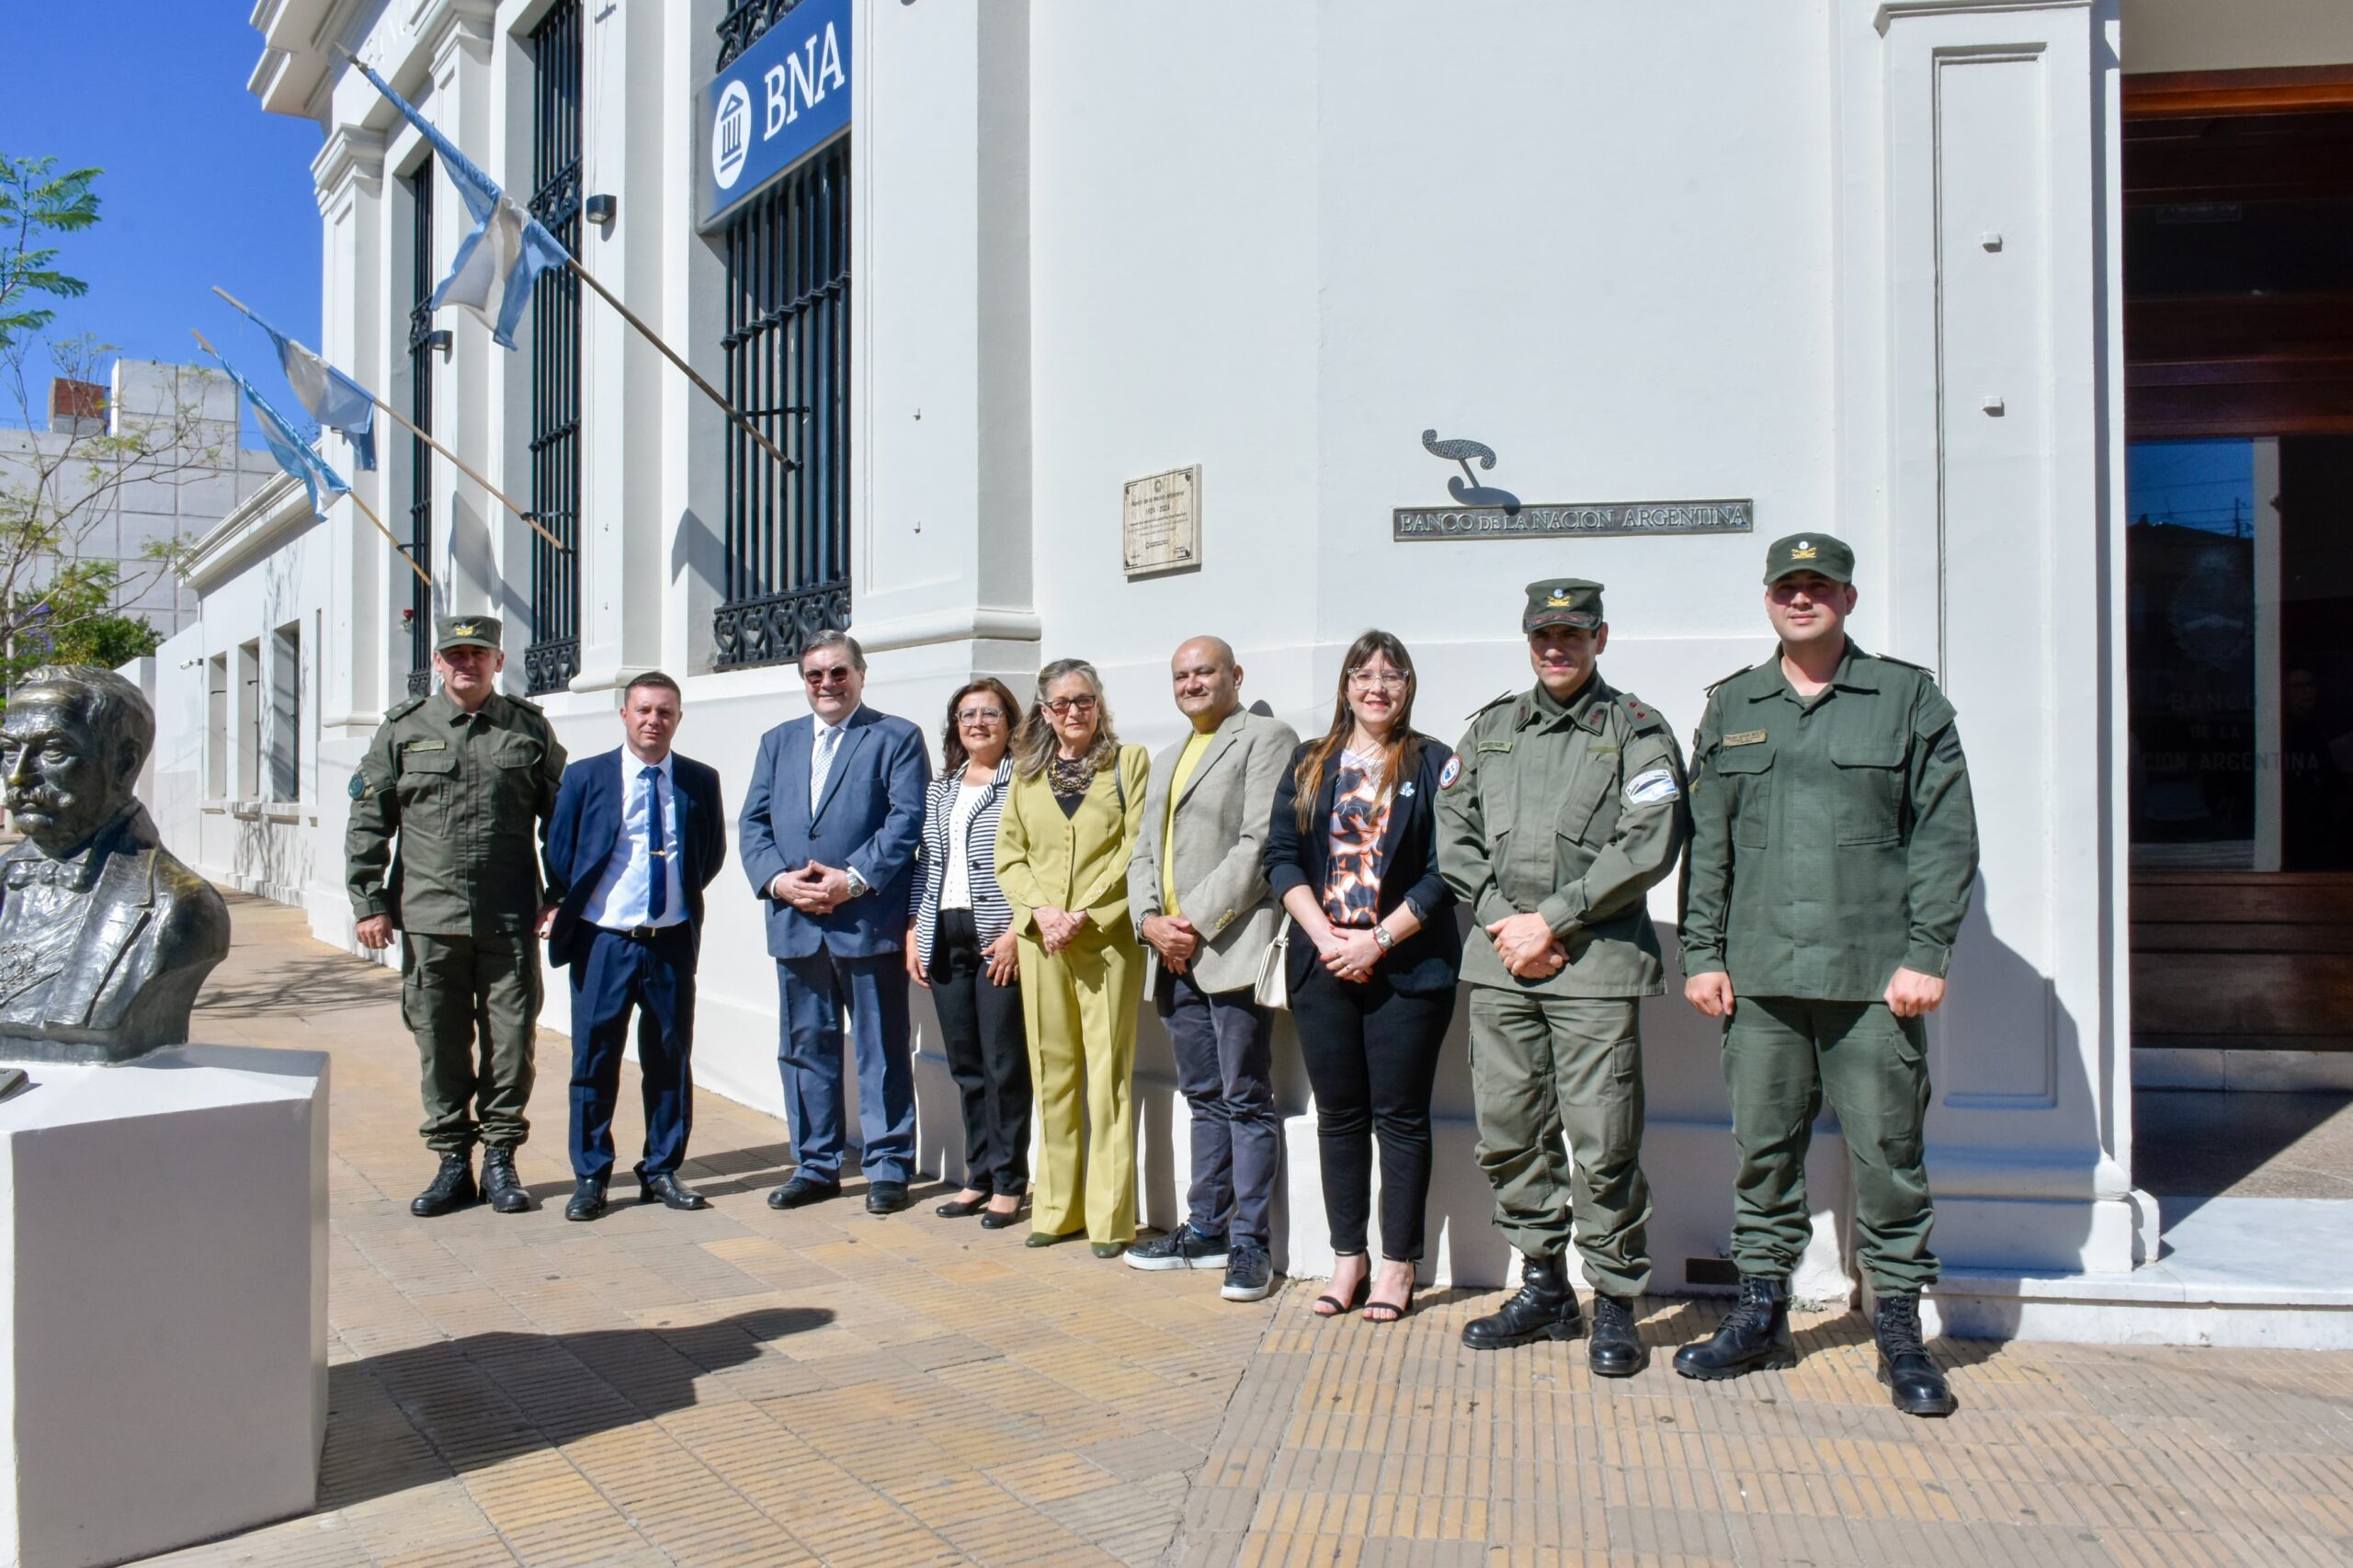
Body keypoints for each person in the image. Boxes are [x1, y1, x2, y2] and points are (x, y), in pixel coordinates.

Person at [1674, 532, 1979, 1418]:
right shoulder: (1734, 705)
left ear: (1848, 598)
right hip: (1762, 975)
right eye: (1787, 587)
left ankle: (1898, 1329)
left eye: (1819, 587)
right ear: (1768, 598)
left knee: (1890, 1156)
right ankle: (1762, 1314)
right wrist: (1703, 952)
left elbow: (1946, 834)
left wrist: (1928, 952)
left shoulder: (1906, 699)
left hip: (1872, 977)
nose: (1801, 599)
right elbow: (1711, 845)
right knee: (1763, 1153)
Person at [1435, 580, 1688, 1378]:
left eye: (1572, 635)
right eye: (1543, 635)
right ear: (1528, 640)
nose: (1556, 648)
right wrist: (1508, 920)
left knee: (1603, 1141)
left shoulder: (1639, 732)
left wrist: (1556, 919)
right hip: (1504, 965)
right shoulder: (1492, 729)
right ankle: (1544, 1290)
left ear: (1600, 640)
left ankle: (1614, 1300)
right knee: (1509, 1133)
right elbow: (1456, 831)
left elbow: (1649, 840)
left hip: (1595, 969)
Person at [1263, 631, 1461, 1323]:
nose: (1377, 686)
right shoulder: (1310, 762)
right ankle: (1350, 1259)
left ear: (1409, 686)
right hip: (1322, 966)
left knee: (1400, 1118)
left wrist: (1377, 940)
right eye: (1363, 673)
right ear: (1346, 684)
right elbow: (1281, 857)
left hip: (1406, 968)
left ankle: (1399, 1264)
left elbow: (1449, 870)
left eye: (1392, 675)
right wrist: (1324, 935)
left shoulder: (1435, 761)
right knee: (1339, 1116)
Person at [347, 615, 567, 1218]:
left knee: (510, 1044)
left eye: (479, 654)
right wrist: (368, 902)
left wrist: (561, 892)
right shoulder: (402, 731)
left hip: (509, 920)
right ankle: (451, 1162)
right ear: (437, 663)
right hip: (429, 920)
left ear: (498, 662)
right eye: (455, 655)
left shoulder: (527, 728)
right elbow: (369, 820)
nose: (466, 664)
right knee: (440, 1045)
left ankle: (500, 1158)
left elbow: (563, 819)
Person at [1123, 637, 1299, 1302]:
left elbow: (1259, 844)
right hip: (1170, 956)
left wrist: (1188, 922)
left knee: (1247, 1098)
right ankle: (1206, 1228)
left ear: (1234, 676)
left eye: (1206, 671)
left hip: (1226, 949)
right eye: (1182, 675)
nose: (1193, 683)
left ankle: (1251, 1243)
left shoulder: (1264, 737)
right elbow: (1143, 853)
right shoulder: (1167, 757)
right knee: (1203, 1098)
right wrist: (1148, 922)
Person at [739, 631, 931, 1216]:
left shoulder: (896, 737)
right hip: (795, 923)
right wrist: (779, 882)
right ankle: (815, 1165)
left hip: (865, 920)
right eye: (814, 675)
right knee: (804, 1049)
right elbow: (753, 824)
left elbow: (907, 820)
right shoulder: (778, 742)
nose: (826, 684)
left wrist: (852, 880)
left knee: (881, 1048)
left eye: (837, 673)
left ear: (861, 675)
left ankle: (887, 1165)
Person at [539, 672, 727, 1221]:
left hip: (669, 942)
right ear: (624, 714)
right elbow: (560, 850)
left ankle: (661, 1169)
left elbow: (708, 855)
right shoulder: (585, 777)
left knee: (669, 1058)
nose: (653, 721)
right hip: (604, 942)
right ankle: (592, 1175)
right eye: (644, 710)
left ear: (678, 718)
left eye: (665, 712)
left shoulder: (699, 780)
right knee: (594, 1059)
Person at [994, 659, 1151, 1258]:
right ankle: (1058, 1209)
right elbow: (1010, 854)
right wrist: (1041, 913)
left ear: (1099, 703)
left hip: (1104, 942)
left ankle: (1112, 1218)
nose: (1073, 712)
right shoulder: (1027, 773)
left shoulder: (1127, 762)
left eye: (1083, 700)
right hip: (1041, 943)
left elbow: (1135, 845)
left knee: (1107, 1076)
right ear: (1044, 711)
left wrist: (1083, 910)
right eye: (1060, 704)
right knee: (1052, 1073)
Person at [0, 665, 230, 1062]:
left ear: (125, 763)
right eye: (7, 750)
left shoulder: (179, 908)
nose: (18, 776)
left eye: (53, 750)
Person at [907, 677, 1031, 1228]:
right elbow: (926, 862)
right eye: (966, 715)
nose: (977, 723)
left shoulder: (1024, 782)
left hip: (996, 935)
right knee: (966, 1064)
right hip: (944, 932)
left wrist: (1018, 932)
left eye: (989, 713)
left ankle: (1010, 1182)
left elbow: (1040, 860)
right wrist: (915, 927)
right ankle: (977, 1176)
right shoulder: (941, 787)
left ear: (1010, 722)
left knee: (1004, 1063)